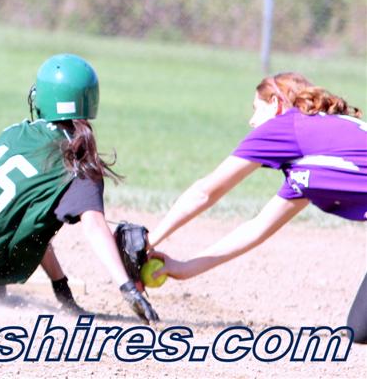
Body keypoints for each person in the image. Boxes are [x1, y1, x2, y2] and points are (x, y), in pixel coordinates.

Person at [0, 54, 158, 323]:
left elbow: (28, 225)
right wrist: (127, 288)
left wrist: (61, 289)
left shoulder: (15, 133)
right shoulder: (78, 166)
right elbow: (94, 228)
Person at [148, 72, 366, 343]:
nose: (252, 121)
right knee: (361, 330)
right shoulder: (309, 154)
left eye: (256, 108)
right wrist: (183, 269)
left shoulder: (288, 126)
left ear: (275, 103)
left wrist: (149, 241)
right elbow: (257, 228)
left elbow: (205, 192)